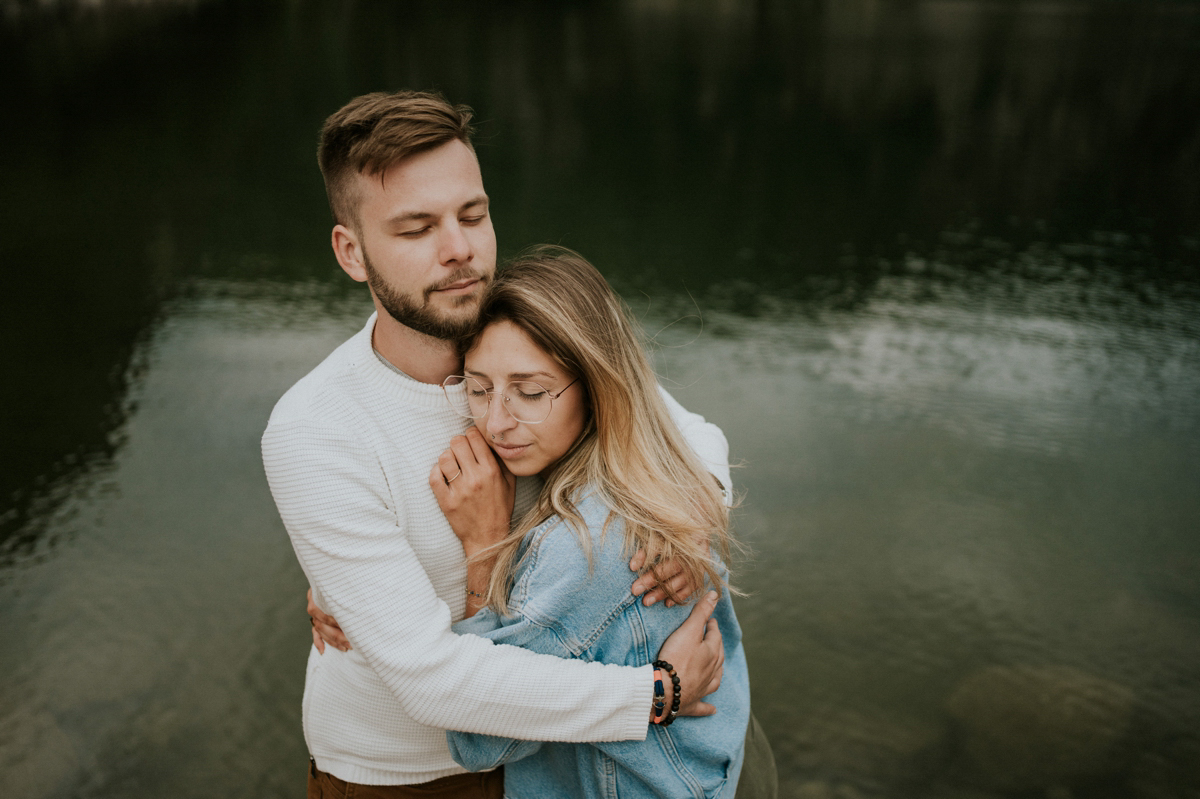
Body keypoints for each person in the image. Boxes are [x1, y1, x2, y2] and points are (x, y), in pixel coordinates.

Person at [262, 90, 733, 797]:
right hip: (412, 778)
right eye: (417, 228)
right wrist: (652, 693)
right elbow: (430, 678)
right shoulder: (315, 429)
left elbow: (693, 439)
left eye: (473, 215)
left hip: (558, 764)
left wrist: (691, 523)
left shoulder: (528, 337)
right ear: (352, 252)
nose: (459, 250)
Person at [430, 246, 753, 798]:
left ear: (597, 384)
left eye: (531, 393)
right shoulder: (658, 466)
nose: (496, 422)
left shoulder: (582, 548)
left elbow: (477, 739)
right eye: (479, 389)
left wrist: (484, 550)